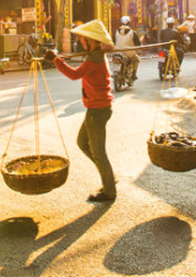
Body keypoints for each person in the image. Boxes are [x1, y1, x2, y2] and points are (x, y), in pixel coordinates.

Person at [44, 20, 116, 202]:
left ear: (92, 41)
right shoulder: (96, 55)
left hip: (97, 109)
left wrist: (55, 60)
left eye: (85, 40)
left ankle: (109, 190)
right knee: (83, 142)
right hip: (97, 107)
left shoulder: (94, 58)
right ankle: (108, 176)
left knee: (98, 151)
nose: (83, 42)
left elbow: (74, 75)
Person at [113, 16, 142, 80]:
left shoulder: (116, 32)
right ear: (129, 23)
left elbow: (113, 42)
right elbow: (138, 44)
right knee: (137, 59)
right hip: (129, 53)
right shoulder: (132, 32)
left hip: (118, 52)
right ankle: (134, 74)